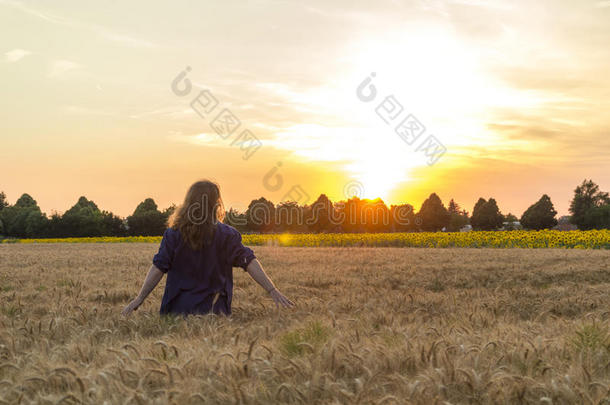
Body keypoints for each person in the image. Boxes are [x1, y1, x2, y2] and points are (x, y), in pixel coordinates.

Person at [122, 180, 294, 316]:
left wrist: (139, 299)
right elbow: (248, 261)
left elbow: (158, 268)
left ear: (188, 203)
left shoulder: (173, 234)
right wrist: (272, 290)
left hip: (176, 311)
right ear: (217, 204)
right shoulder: (228, 235)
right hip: (215, 311)